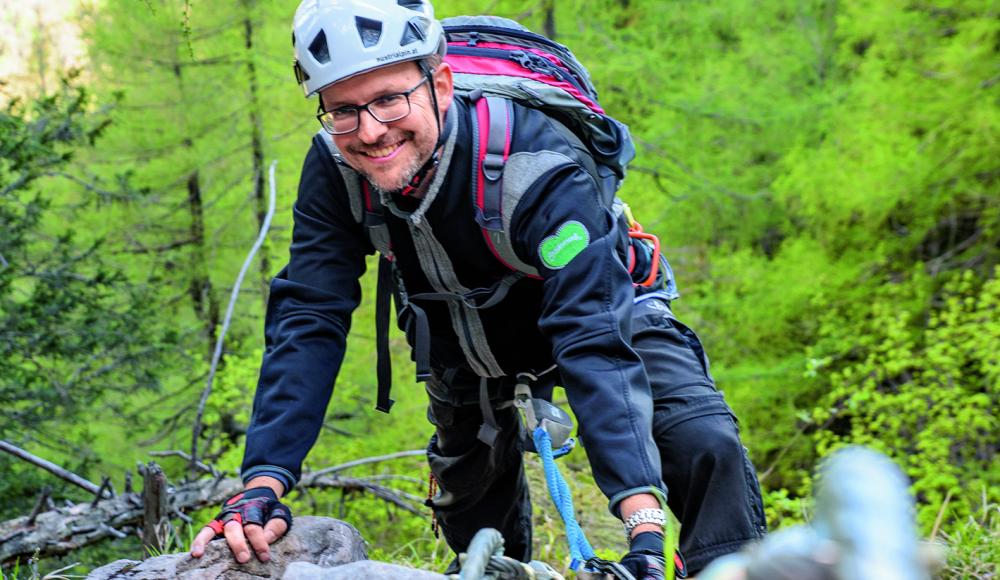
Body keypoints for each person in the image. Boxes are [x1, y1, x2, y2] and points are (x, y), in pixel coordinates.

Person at [189, 1, 766, 578]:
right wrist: (262, 484)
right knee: (475, 531)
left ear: (439, 83)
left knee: (701, 442)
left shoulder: (537, 163)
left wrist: (642, 526)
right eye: (342, 110)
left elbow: (592, 333)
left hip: (605, 304)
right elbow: (310, 315)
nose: (369, 131)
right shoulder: (336, 170)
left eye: (390, 99)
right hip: (463, 338)